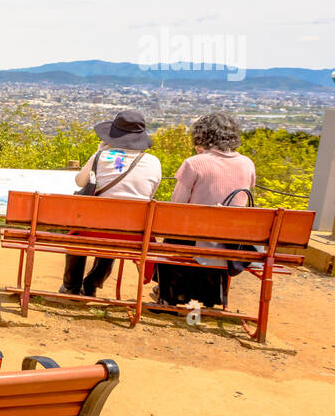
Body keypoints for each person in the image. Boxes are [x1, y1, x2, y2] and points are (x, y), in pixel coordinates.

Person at [154, 112, 257, 307]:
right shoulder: (247, 164)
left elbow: (177, 206)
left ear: (202, 135)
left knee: (173, 237)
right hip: (230, 240)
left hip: (193, 237)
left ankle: (169, 295)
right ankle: (209, 297)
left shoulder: (194, 163)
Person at [61, 109, 163, 298]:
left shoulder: (101, 157)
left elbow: (79, 182)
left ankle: (70, 285)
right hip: (134, 233)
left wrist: (100, 152)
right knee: (117, 231)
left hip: (94, 227)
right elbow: (149, 194)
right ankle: (92, 282)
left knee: (80, 232)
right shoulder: (154, 162)